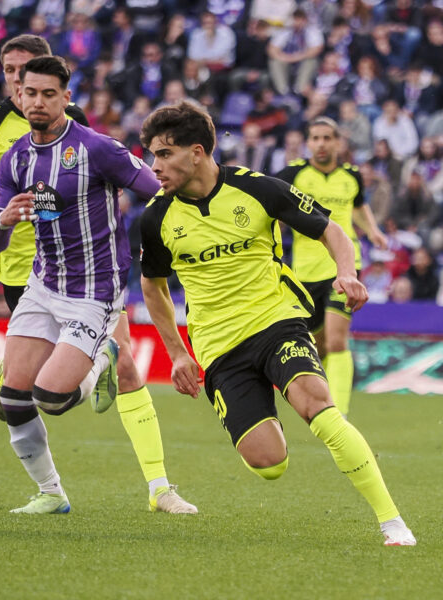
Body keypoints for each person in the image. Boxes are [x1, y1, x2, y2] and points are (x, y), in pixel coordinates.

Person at [0, 34, 196, 515]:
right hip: (40, 285)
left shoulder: (97, 148)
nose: (35, 99)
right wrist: (4, 220)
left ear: (66, 98)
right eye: (28, 91)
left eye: (47, 93)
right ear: (18, 93)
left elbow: (153, 188)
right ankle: (52, 493)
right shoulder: (13, 156)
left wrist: (173, 236)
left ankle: (109, 359)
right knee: (14, 398)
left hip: (93, 291)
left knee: (52, 398)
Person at [138, 101, 416, 546]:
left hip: (276, 321)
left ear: (196, 152)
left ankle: (392, 522)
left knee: (318, 407)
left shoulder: (257, 188)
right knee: (270, 463)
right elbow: (153, 286)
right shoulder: (155, 217)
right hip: (218, 347)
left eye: (164, 154)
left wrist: (347, 272)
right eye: (152, 154)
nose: (155, 166)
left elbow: (333, 231)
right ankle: (268, 405)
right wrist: (177, 353)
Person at [275, 116, 388, 418]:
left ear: (338, 142)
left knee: (338, 340)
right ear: (308, 142)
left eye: (327, 138)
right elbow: (268, 204)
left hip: (345, 267)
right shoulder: (293, 174)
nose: (321, 144)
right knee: (318, 345)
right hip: (305, 271)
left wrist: (373, 231)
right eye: (315, 138)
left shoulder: (351, 175)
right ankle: (313, 394)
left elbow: (359, 205)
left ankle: (338, 413)